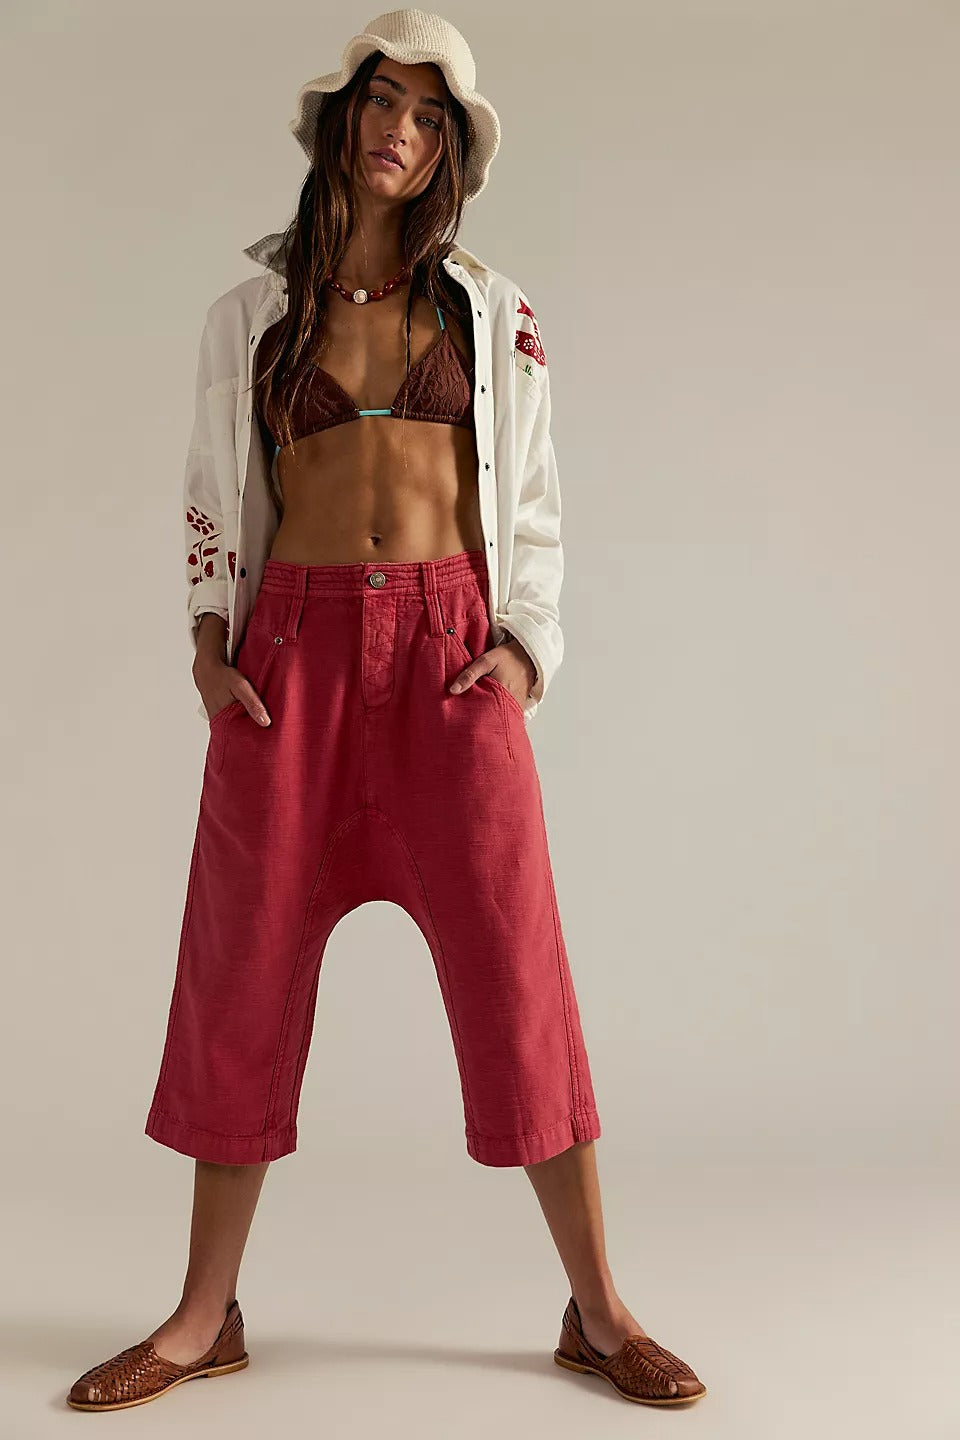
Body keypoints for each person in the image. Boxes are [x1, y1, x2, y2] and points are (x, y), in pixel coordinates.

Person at [67, 9, 706, 1413]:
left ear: (449, 148)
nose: (397, 130)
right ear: (340, 118)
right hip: (290, 662)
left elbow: (533, 499)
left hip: (447, 659)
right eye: (380, 101)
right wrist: (209, 644)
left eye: (426, 114)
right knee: (240, 971)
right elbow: (209, 492)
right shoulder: (250, 317)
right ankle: (202, 1316)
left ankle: (599, 1312)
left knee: (514, 968)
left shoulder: (491, 312)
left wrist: (522, 651)